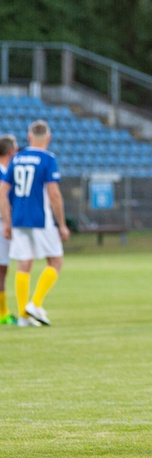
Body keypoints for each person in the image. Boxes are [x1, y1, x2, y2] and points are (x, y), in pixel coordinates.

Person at [0, 120, 70, 327]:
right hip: (40, 218)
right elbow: (54, 194)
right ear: (48, 138)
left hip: (19, 218)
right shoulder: (48, 159)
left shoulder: (17, 158)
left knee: (24, 263)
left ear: (29, 137)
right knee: (56, 261)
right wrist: (62, 224)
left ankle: (23, 316)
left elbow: (3, 192)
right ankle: (35, 303)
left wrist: (7, 220)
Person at [0, 134, 18, 325]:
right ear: (11, 152)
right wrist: (7, 222)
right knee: (1, 269)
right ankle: (2, 313)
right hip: (0, 223)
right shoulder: (3, 173)